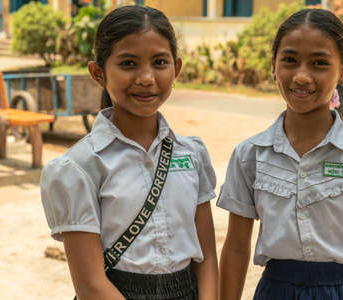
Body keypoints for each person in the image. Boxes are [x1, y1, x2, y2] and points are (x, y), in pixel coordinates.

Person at [218, 8, 343, 300]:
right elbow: (235, 247)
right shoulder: (250, 155)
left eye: (319, 63)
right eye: (290, 61)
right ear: (273, 65)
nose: (302, 76)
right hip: (277, 291)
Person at [40, 5, 218, 300]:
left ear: (177, 68)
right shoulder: (79, 168)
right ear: (98, 73)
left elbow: (207, 258)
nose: (146, 77)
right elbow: (91, 285)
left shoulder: (192, 154)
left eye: (160, 62)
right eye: (128, 63)